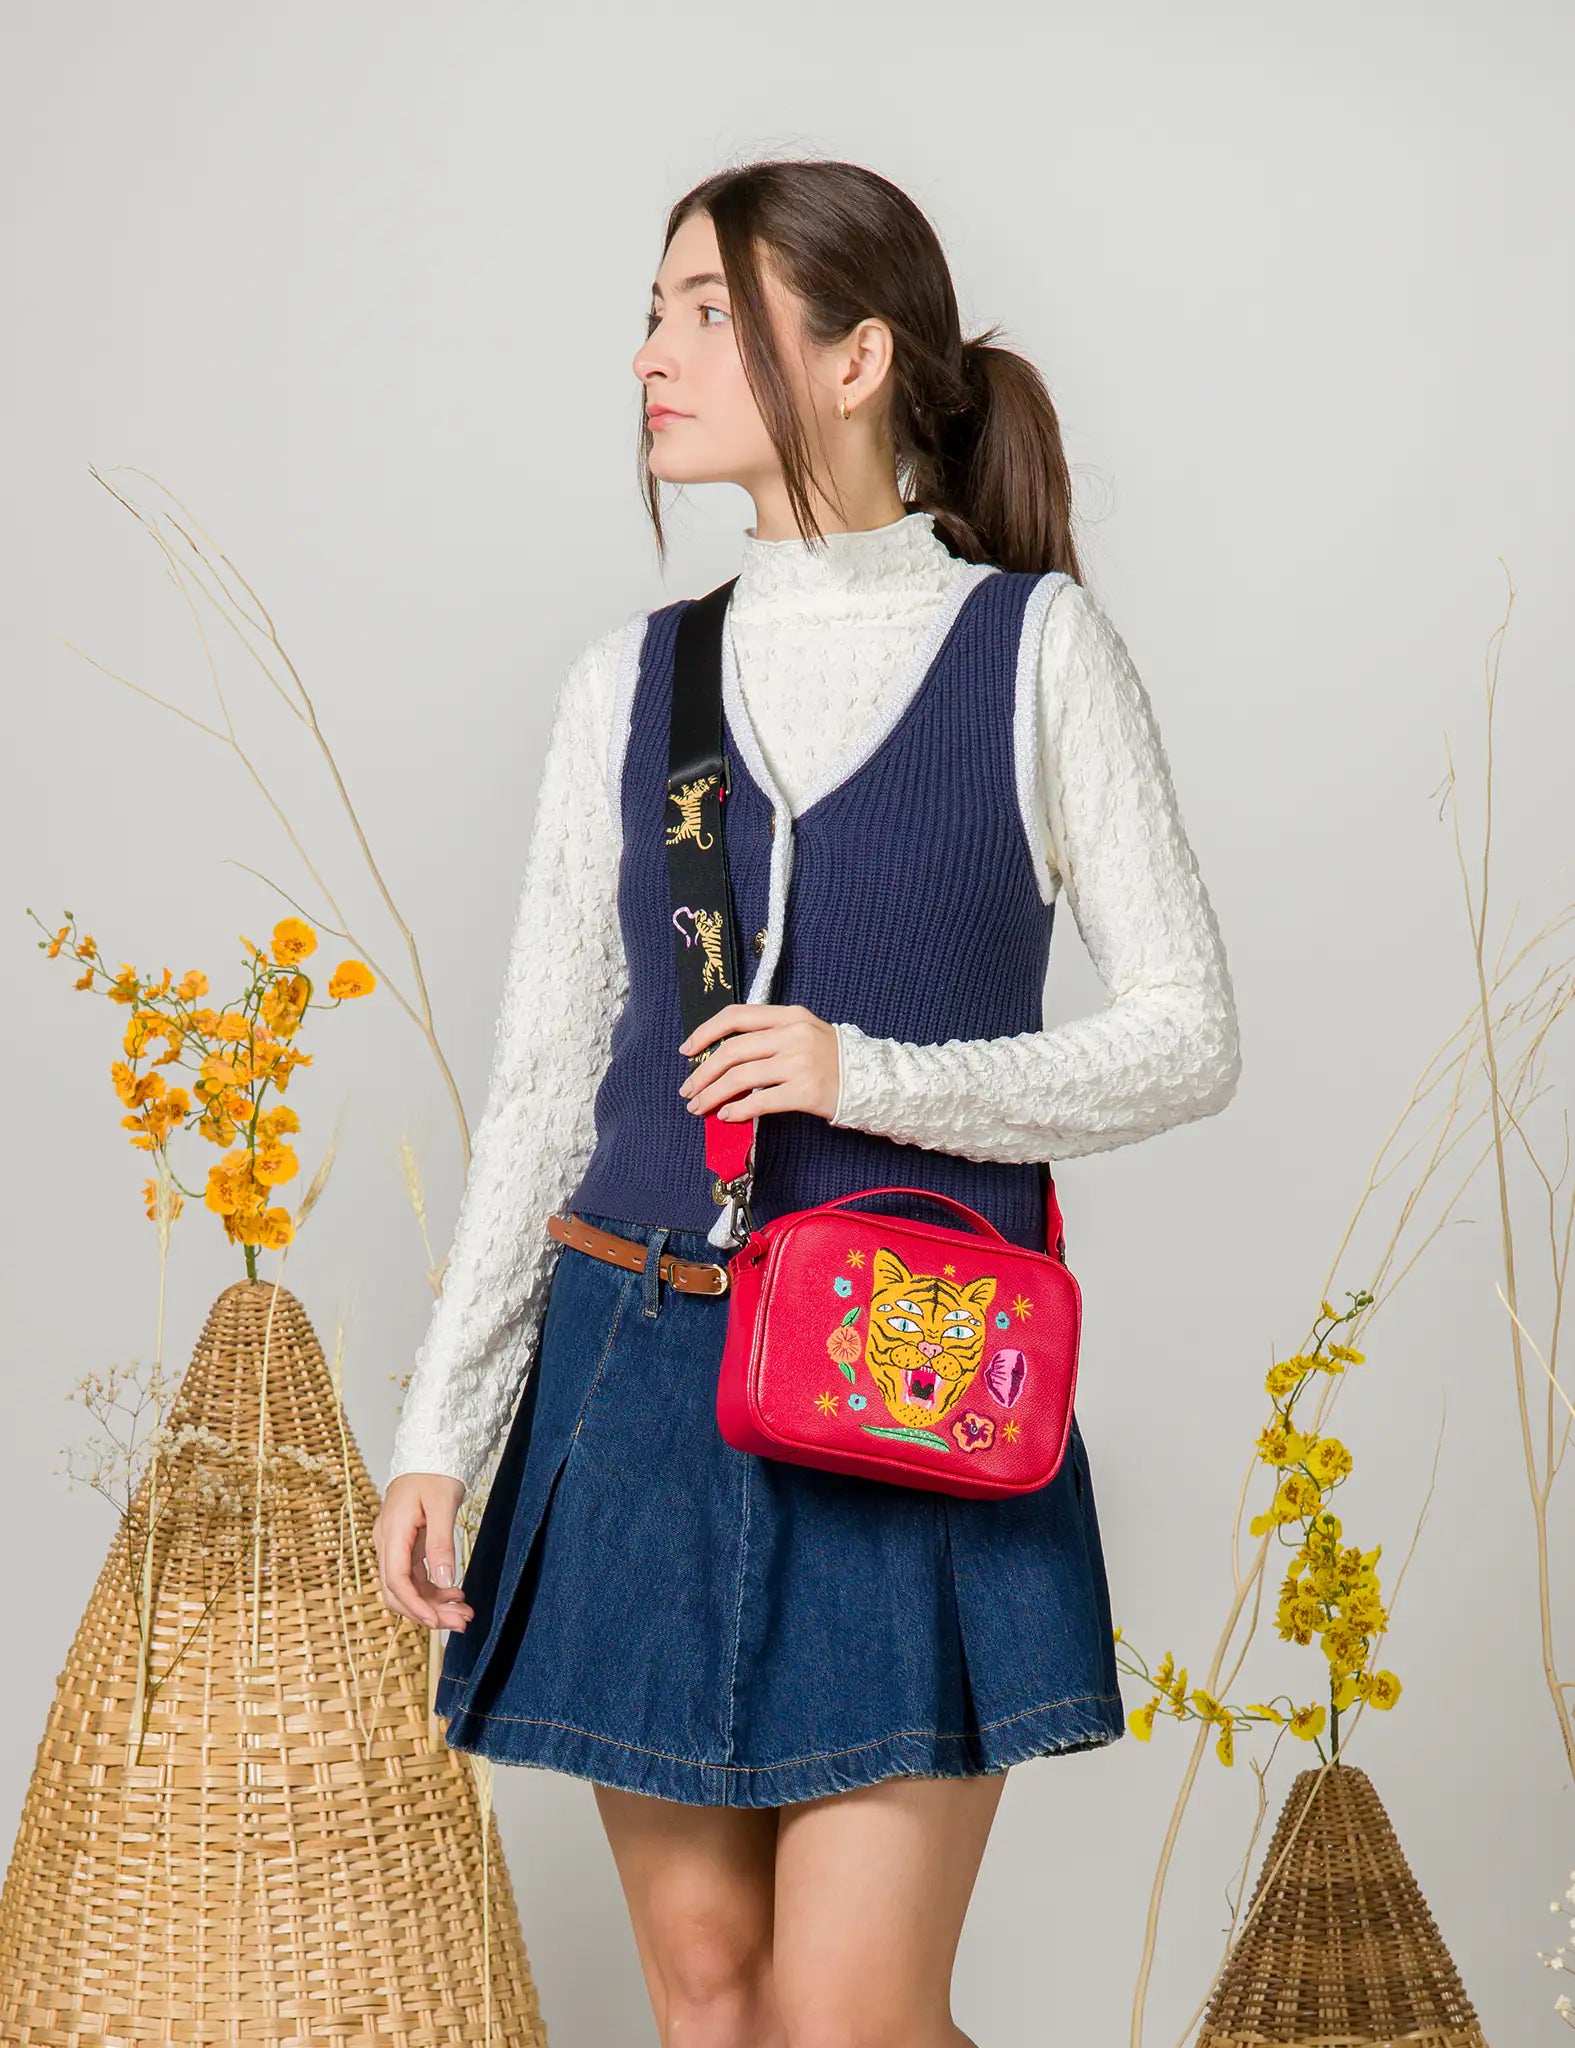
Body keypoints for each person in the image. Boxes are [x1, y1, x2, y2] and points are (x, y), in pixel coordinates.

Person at [373, 157, 1241, 2048]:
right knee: (712, 1998)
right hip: (634, 1374)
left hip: (905, 1381)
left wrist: (870, 1076)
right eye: (656, 312)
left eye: (707, 312)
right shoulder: (631, 681)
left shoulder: (1037, 650)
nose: (651, 354)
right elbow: (545, 1080)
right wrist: (442, 1427)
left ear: (857, 360)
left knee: (848, 2019)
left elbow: (1192, 1034)